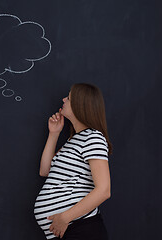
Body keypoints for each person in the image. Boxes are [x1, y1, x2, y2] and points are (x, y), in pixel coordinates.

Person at [34, 83, 113, 240]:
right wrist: (54, 134)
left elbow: (104, 190)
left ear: (80, 104)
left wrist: (65, 218)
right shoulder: (74, 140)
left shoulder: (93, 137)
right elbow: (45, 170)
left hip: (80, 229)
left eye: (68, 98)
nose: (63, 99)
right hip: (67, 231)